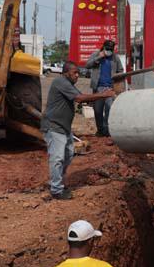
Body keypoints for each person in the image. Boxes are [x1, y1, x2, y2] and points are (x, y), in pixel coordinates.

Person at [41, 62, 114, 200]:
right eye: (74, 72)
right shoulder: (60, 81)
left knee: (68, 154)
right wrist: (103, 95)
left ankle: (57, 182)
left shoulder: (68, 85)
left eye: (77, 73)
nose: (77, 75)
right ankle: (56, 190)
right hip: (54, 126)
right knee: (57, 158)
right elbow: (80, 98)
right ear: (66, 72)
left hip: (64, 127)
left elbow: (82, 99)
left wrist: (95, 98)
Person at [85, 39, 124, 137]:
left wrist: (118, 79)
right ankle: (100, 130)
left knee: (109, 109)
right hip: (98, 87)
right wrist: (98, 58)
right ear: (103, 47)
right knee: (98, 110)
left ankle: (107, 130)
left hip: (110, 88)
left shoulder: (115, 58)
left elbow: (121, 70)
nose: (109, 51)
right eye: (107, 49)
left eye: (111, 49)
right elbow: (87, 65)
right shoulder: (96, 54)